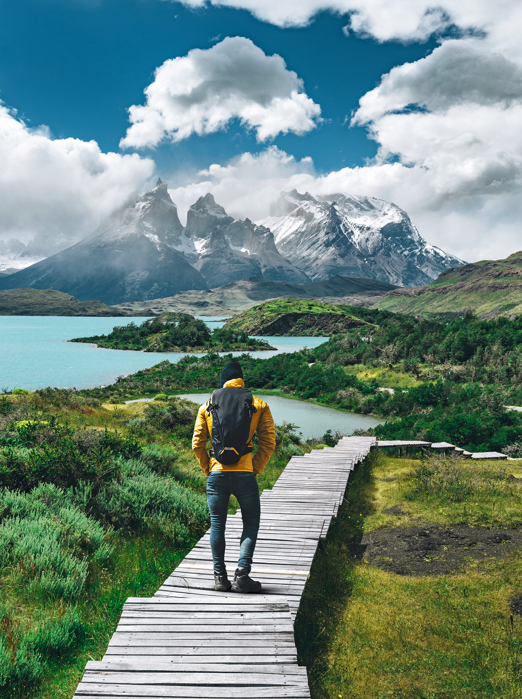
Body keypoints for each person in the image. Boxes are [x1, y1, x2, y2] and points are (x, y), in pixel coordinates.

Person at [192, 360, 276, 593]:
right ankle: (243, 575)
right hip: (245, 474)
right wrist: (254, 468)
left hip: (216, 474)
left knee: (217, 524)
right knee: (250, 523)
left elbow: (197, 444)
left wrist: (209, 468)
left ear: (222, 382)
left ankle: (220, 578)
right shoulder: (259, 405)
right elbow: (269, 443)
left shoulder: (206, 406)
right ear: (241, 381)